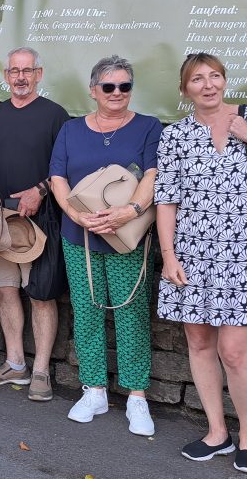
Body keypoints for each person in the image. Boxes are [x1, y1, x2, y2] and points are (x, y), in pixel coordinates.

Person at [155, 54, 247, 475]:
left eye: (214, 76)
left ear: (224, 80)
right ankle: (216, 432)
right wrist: (168, 256)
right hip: (191, 254)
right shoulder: (176, 135)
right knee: (199, 343)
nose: (208, 85)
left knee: (235, 352)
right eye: (197, 79)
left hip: (243, 256)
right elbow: (166, 198)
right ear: (184, 89)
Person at [48, 56, 162, 436]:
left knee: (131, 312)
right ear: (93, 90)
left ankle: (136, 396)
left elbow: (153, 175)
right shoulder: (71, 130)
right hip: (79, 234)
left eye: (124, 86)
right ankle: (94, 389)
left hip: (126, 234)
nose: (117, 92)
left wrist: (129, 211)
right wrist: (76, 215)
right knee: (86, 311)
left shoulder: (148, 127)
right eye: (109, 86)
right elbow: (58, 178)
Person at [0, 48, 69, 402]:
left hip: (40, 221)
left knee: (42, 296)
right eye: (14, 71)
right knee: (5, 290)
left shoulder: (56, 116)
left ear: (38, 74)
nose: (20, 77)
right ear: (6, 76)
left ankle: (41, 371)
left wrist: (40, 190)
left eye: (27, 71)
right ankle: (15, 363)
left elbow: (66, 168)